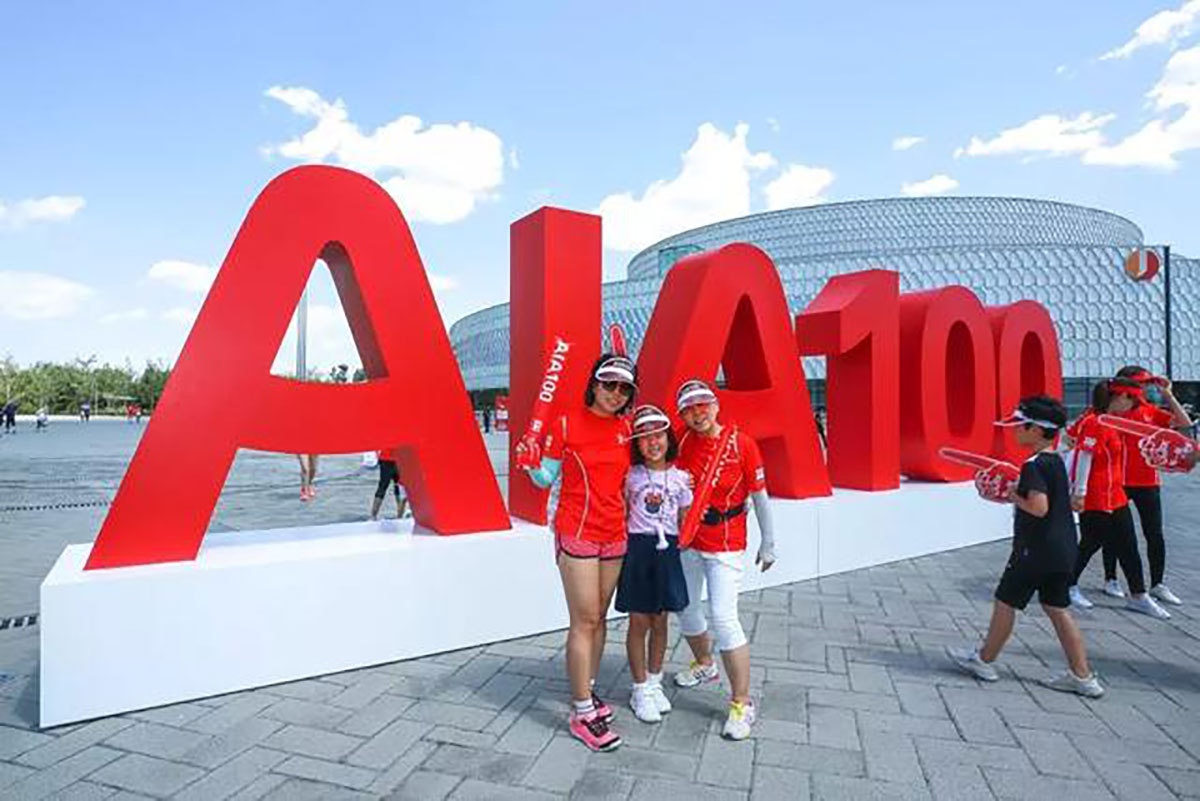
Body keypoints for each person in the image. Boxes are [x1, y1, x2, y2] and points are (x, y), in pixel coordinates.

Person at [948, 396, 1103, 697]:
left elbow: (1039, 507)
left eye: (1021, 425)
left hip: (1036, 550)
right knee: (1058, 608)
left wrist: (1012, 494)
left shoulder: (1033, 465)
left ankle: (984, 660)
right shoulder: (1056, 460)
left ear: (1036, 429)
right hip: (1064, 547)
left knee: (1006, 602)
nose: (1015, 431)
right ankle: (1083, 676)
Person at [520, 353, 636, 752]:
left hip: (616, 534)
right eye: (609, 384)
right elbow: (545, 478)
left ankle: (587, 689)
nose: (616, 394)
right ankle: (582, 712)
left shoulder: (627, 429)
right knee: (584, 618)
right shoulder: (566, 423)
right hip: (578, 532)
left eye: (624, 388)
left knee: (600, 618)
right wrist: (528, 462)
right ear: (594, 383)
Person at [671, 379, 777, 741]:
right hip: (690, 539)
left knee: (723, 616)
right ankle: (704, 664)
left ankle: (742, 703)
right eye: (689, 408)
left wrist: (770, 543)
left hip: (727, 542)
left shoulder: (742, 444)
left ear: (716, 406)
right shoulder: (683, 441)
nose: (697, 414)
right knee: (684, 607)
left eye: (703, 405)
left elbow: (760, 496)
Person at [1066, 379, 1170, 619]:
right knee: (1091, 543)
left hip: (1116, 494)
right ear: (1119, 396)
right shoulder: (1095, 422)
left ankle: (1138, 596)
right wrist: (1080, 492)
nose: (1133, 405)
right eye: (1131, 399)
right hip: (1097, 495)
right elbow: (1085, 456)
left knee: (1126, 545)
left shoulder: (1113, 422)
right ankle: (1067, 586)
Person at [617, 404, 692, 724]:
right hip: (638, 549)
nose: (653, 442)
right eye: (645, 437)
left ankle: (654, 681)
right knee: (639, 622)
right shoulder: (631, 477)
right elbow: (621, 511)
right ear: (637, 444)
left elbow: (684, 517)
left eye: (658, 435)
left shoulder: (680, 478)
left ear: (668, 438)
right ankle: (639, 689)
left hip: (667, 552)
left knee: (661, 622)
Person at [1100, 366, 1191, 606]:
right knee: (1112, 532)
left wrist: (1169, 395)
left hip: (1147, 481)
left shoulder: (1151, 412)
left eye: (1145, 384)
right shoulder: (1112, 411)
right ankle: (1111, 579)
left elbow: (1184, 424)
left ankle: (1158, 584)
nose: (1143, 389)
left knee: (1154, 533)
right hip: (1117, 481)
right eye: (1139, 384)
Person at [370, 447, 408, 519]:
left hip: (385, 458)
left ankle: (373, 516)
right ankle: (400, 516)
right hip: (399, 458)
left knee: (382, 487)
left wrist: (376, 454)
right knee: (400, 488)